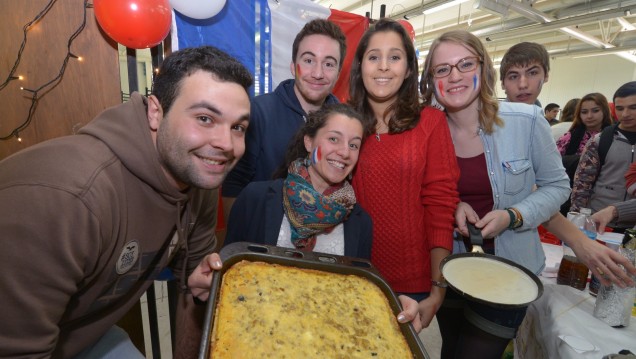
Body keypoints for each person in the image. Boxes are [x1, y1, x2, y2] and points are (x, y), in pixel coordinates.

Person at [0, 46, 249, 358]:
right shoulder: (68, 198)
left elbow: (195, 285)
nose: (226, 144)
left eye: (238, 126)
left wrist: (200, 289)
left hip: (84, 332)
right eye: (204, 118)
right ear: (156, 112)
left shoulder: (199, 178)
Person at [420, 30, 636, 359]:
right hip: (446, 263)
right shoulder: (426, 128)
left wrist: (514, 215)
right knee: (451, 348)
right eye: (442, 69)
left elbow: (557, 187)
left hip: (510, 270)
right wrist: (453, 203)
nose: (455, 76)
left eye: (465, 64)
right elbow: (422, 190)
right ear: (431, 78)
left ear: (483, 68)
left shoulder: (525, 120)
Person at [224, 103, 425, 331]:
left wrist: (392, 304)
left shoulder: (360, 223)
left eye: (354, 145)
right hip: (256, 332)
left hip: (324, 339)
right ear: (309, 142)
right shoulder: (255, 198)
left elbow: (357, 295)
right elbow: (227, 278)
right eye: (333, 139)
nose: (344, 152)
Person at [348, 18, 460, 330]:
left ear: (409, 68)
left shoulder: (431, 123)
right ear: (360, 66)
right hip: (353, 271)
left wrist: (438, 289)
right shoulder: (343, 123)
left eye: (394, 57)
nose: (383, 67)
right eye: (374, 57)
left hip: (412, 281)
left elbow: (440, 206)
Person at [222, 19, 346, 219]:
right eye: (308, 60)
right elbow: (233, 187)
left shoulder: (345, 124)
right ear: (292, 65)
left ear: (339, 73)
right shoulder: (258, 112)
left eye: (329, 64)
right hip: (263, 243)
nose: (317, 73)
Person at [571, 81, 636, 232]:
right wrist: (577, 220)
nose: (625, 114)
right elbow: (582, 184)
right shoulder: (600, 140)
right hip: (598, 222)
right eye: (620, 108)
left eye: (633, 107)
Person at [499, 42, 550, 106]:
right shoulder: (493, 115)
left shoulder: (537, 109)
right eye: (513, 77)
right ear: (502, 84)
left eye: (532, 73)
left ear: (546, 76)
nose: (522, 85)